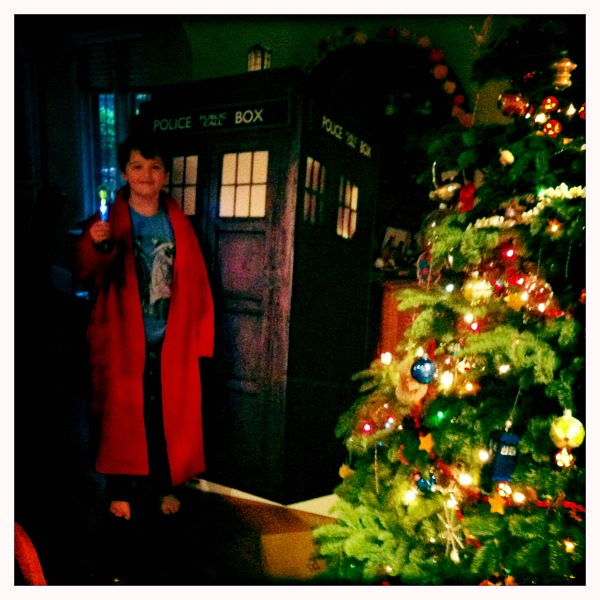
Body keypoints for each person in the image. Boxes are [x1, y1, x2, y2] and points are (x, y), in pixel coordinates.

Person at [74, 134, 214, 520]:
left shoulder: (177, 222)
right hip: (121, 339)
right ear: (124, 173)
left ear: (165, 174)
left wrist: (200, 339)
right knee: (121, 416)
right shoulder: (105, 221)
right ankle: (120, 490)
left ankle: (163, 485)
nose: (146, 174)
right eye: (137, 166)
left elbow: (197, 283)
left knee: (164, 415)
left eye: (155, 167)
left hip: (169, 338)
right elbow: (86, 274)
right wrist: (96, 246)